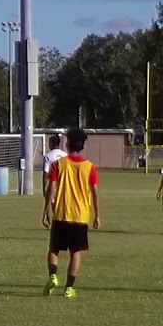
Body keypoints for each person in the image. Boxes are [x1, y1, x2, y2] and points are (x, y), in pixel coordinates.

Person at [43, 127, 100, 298]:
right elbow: (95, 193)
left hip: (61, 214)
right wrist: (97, 215)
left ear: (67, 144)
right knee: (76, 252)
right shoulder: (90, 167)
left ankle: (53, 276)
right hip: (81, 216)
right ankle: (69, 288)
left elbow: (51, 189)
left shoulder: (58, 165)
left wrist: (45, 211)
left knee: (54, 249)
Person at [42, 133, 67, 200]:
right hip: (65, 185)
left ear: (51, 143)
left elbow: (45, 173)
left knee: (53, 206)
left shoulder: (47, 156)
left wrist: (44, 189)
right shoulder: (65, 155)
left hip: (53, 184)